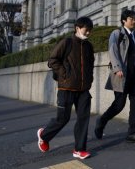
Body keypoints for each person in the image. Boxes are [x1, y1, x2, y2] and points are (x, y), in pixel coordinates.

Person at [37, 16, 95, 160]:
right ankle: (44, 135)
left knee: (83, 118)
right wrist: (65, 74)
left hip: (83, 90)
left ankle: (79, 149)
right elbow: (52, 61)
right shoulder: (66, 42)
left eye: (90, 31)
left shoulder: (89, 46)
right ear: (77, 28)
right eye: (86, 30)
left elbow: (90, 66)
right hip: (66, 88)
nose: (88, 33)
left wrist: (89, 80)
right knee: (62, 119)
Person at [95, 9, 135, 143]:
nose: (134, 21)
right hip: (122, 75)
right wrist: (117, 68)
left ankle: (133, 133)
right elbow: (112, 50)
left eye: (134, 19)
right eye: (131, 19)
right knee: (119, 105)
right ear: (124, 20)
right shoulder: (117, 34)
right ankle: (102, 121)